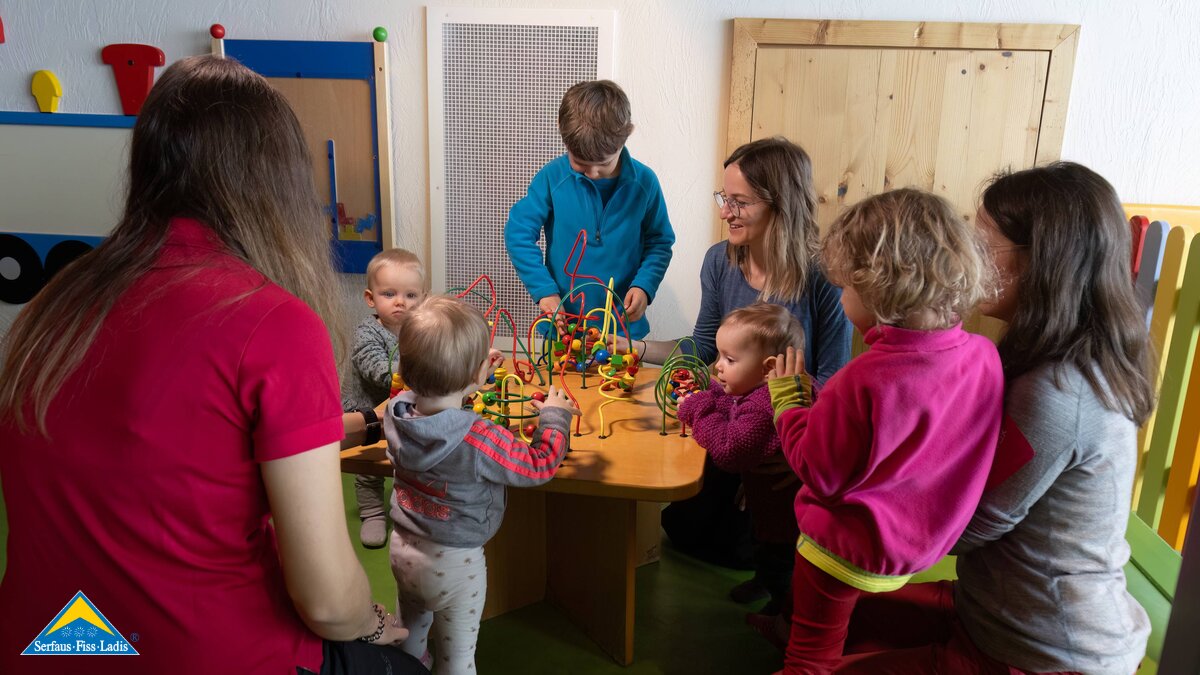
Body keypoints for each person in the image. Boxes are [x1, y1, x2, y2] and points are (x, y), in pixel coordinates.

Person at [0, 55, 426, 675]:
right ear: (278, 180)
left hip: (52, 641)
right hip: (198, 652)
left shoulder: (54, 301)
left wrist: (362, 420)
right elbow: (331, 602)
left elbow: (188, 449)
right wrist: (374, 623)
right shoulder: (272, 321)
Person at [838, 163, 1154, 674]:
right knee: (833, 616)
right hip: (990, 608)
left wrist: (853, 509)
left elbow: (974, 521)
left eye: (983, 245)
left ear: (1045, 261)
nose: (964, 261)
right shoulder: (1040, 354)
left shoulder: (1060, 392)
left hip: (1043, 648)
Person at [767, 188, 1004, 673]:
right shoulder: (984, 356)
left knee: (810, 658)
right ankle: (789, 625)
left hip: (839, 552)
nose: (839, 297)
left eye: (845, 288)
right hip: (920, 547)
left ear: (879, 289)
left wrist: (789, 401)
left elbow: (819, 471)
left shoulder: (862, 378)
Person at [654, 137, 853, 579]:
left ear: (779, 204)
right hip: (736, 423)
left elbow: (834, 377)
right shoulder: (718, 262)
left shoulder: (824, 277)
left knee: (762, 548)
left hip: (789, 438)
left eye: (739, 202)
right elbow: (703, 347)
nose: (725, 212)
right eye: (725, 198)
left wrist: (793, 451)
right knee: (680, 527)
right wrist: (629, 348)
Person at [384, 296, 579, 674]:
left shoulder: (397, 414)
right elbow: (538, 467)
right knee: (457, 660)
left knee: (409, 637)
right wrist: (555, 419)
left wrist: (470, 373)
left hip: (403, 551)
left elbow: (438, 402)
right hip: (456, 564)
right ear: (475, 377)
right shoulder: (479, 437)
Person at [504, 79, 675, 341]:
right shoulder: (552, 178)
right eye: (580, 164)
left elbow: (660, 242)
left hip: (621, 331)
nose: (593, 173)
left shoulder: (645, 183)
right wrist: (544, 290)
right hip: (563, 328)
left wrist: (645, 286)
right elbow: (518, 231)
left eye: (603, 163)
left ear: (626, 136)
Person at [676, 303, 806, 617]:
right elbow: (732, 400)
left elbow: (728, 448)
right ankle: (765, 582)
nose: (718, 366)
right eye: (720, 355)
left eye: (729, 360)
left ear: (767, 367)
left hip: (786, 513)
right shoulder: (764, 387)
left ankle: (783, 612)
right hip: (764, 498)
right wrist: (708, 387)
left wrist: (697, 409)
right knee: (761, 545)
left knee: (778, 557)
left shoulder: (764, 406)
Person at [343, 248, 427, 548]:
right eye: (389, 293)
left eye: (411, 295)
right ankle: (373, 512)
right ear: (371, 298)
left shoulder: (419, 331)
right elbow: (377, 368)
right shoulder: (367, 333)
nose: (400, 302)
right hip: (367, 412)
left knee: (407, 459)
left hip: (404, 412)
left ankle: (406, 507)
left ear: (423, 299)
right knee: (372, 466)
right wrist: (421, 372)